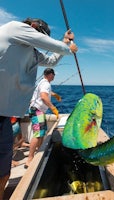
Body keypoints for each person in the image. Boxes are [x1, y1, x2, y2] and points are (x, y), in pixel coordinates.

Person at [0, 17, 78, 200]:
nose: (37, 40)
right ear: (33, 27)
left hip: (4, 115)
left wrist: (64, 41)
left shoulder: (33, 53)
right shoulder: (15, 28)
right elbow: (50, 45)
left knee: (3, 174)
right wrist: (68, 48)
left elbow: (51, 60)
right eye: (39, 35)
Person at [25, 68, 60, 168]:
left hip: (38, 111)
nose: (54, 77)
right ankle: (30, 159)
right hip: (37, 111)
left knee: (41, 133)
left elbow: (46, 93)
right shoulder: (46, 84)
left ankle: (38, 153)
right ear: (50, 74)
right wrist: (53, 108)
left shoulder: (43, 83)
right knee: (37, 134)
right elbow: (44, 97)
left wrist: (54, 94)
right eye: (53, 75)